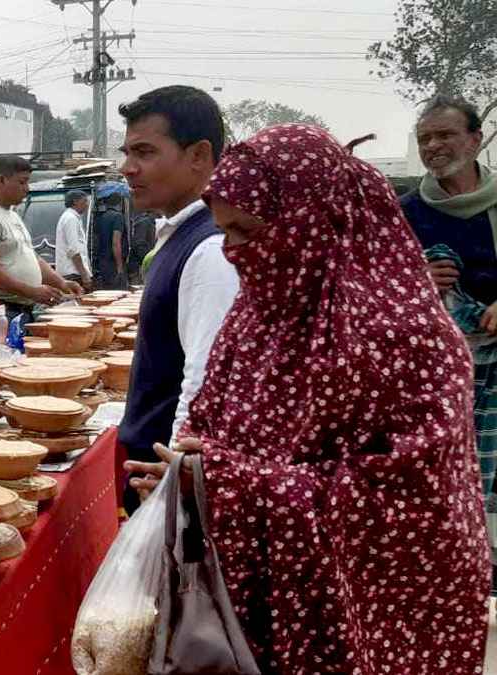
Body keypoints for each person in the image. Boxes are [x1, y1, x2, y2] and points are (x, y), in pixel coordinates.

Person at [127, 123, 488, 674]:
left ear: (317, 223)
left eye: (247, 232)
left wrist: (236, 485)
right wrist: (189, 480)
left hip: (365, 618)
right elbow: (213, 434)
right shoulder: (255, 319)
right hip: (260, 602)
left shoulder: (407, 338)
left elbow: (411, 511)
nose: (234, 254)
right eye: (225, 233)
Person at [114, 85, 239, 508]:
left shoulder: (209, 250)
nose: (128, 168)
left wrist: (178, 477)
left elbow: (205, 380)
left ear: (199, 155)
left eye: (145, 153)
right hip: (158, 470)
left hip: (167, 478)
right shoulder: (180, 234)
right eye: (127, 152)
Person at [400, 94, 497, 585]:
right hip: (435, 372)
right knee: (448, 472)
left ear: (475, 140)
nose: (433, 146)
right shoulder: (407, 213)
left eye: (444, 135)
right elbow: (379, 287)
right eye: (425, 139)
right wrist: (415, 278)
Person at [0, 155, 83, 344]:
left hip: (17, 311)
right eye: (22, 182)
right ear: (1, 180)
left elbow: (32, 258)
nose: (27, 189)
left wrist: (61, 283)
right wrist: (32, 291)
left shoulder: (11, 214)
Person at [54, 190, 92, 291]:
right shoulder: (71, 219)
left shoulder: (72, 218)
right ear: (75, 202)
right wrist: (84, 275)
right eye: (84, 201)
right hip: (73, 274)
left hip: (74, 273)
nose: (87, 204)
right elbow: (74, 251)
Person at [91, 195, 128, 290]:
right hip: (113, 263)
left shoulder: (100, 217)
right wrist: (119, 267)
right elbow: (116, 243)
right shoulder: (118, 217)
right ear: (119, 203)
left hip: (102, 263)